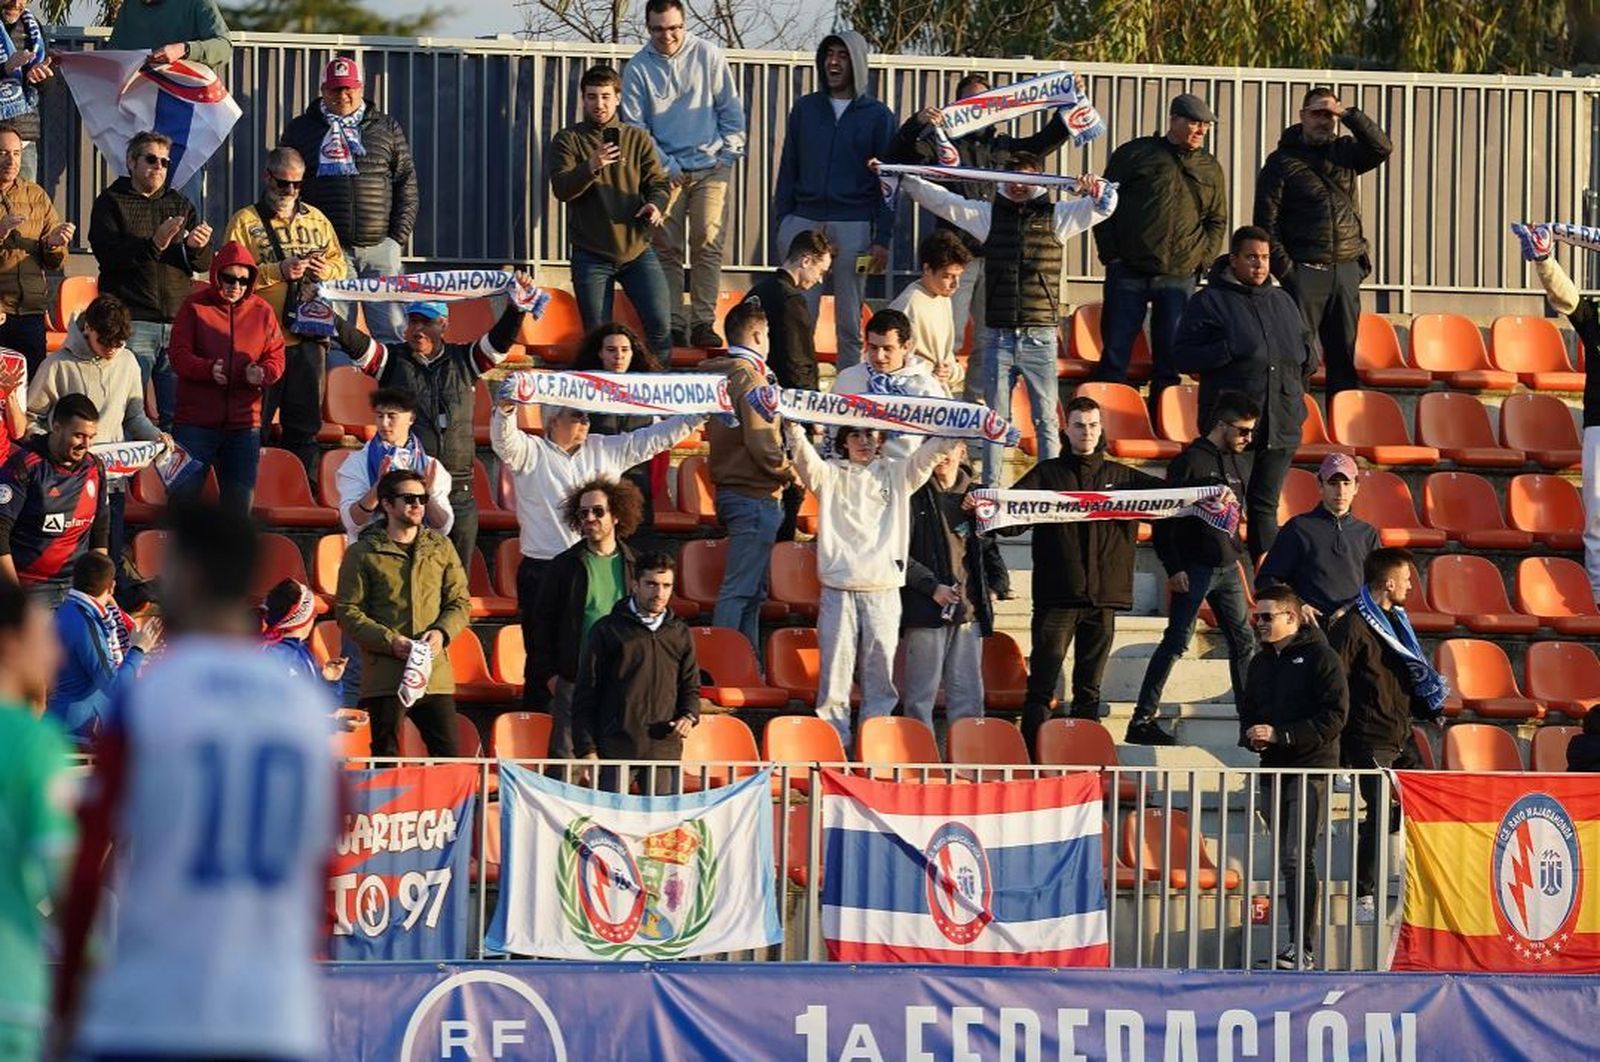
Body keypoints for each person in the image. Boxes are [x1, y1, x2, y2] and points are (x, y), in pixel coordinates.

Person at [54, 503, 337, 1060]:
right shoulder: (305, 707)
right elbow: (321, 867)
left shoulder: (152, 695)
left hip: (160, 1007)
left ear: (192, 575)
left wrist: (67, 1005)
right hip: (273, 1016)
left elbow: (88, 864)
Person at [883, 153, 1117, 483]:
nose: (1019, 186)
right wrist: (901, 174)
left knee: (1046, 420)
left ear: (1040, 184)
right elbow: (943, 202)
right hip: (998, 336)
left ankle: (1046, 489)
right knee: (994, 419)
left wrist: (1094, 187)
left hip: (1041, 336)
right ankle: (992, 489)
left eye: (1028, 180)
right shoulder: (987, 216)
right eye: (1013, 179)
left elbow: (1106, 205)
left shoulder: (1059, 216)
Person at [491, 393, 698, 707]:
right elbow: (502, 440)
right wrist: (506, 408)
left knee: (605, 652)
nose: (585, 423)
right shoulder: (530, 452)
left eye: (588, 417)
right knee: (541, 658)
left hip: (597, 565)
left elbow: (654, 439)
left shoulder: (604, 449)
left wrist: (699, 416)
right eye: (577, 416)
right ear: (552, 420)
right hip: (544, 569)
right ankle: (538, 730)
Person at [887, 73, 1078, 400]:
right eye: (970, 102)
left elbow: (1042, 143)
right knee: (952, 336)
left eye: (984, 102)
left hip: (996, 258)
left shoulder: (1002, 147)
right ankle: (939, 399)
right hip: (955, 260)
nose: (978, 110)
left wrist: (1069, 102)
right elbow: (898, 158)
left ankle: (974, 406)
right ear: (956, 105)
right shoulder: (938, 141)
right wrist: (917, 122)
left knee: (988, 340)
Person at [786, 420, 957, 748]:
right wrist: (792, 425)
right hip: (839, 589)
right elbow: (804, 459)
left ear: (880, 438)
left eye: (869, 434)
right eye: (855, 435)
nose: (864, 441)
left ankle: (873, 745)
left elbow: (930, 455)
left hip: (883, 589)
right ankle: (834, 747)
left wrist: (958, 427)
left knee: (880, 678)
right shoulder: (830, 475)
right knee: (835, 675)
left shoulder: (897, 473)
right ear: (844, 441)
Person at [1005, 396, 1162, 749]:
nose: (1086, 432)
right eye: (1079, 425)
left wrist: (1212, 492)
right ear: (1066, 430)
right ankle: (1031, 756)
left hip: (1105, 598)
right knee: (1043, 685)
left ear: (1101, 429)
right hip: (1057, 598)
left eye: (1092, 425)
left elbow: (1175, 499)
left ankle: (1084, 759)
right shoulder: (1046, 474)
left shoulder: (1124, 479)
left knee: (1089, 689)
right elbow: (1008, 518)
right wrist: (981, 506)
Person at [341, 287, 531, 565]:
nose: (417, 329)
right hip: (410, 490)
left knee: (455, 577)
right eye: (413, 321)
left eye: (426, 322)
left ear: (443, 324)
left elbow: (499, 343)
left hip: (459, 489)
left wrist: (517, 309)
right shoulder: (392, 360)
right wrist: (331, 317)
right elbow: (356, 343)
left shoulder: (465, 360)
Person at [1172, 225, 1316, 560]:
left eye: (1265, 258)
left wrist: (1303, 368)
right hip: (1233, 432)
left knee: (1266, 508)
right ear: (1233, 259)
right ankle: (1226, 583)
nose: (1260, 265)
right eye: (1251, 257)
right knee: (1229, 504)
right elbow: (1182, 356)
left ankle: (1264, 588)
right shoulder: (1208, 301)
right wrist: (1226, 350)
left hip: (1280, 426)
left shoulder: (1284, 301)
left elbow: (1308, 352)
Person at [1132, 390, 1259, 746]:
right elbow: (1164, 519)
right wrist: (1173, 567)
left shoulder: (1237, 461)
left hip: (1228, 567)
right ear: (1222, 425)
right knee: (1176, 641)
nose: (1247, 439)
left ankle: (1249, 724)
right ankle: (1142, 718)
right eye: (1243, 431)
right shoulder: (1188, 462)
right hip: (1195, 566)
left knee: (1244, 641)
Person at [1327, 547, 1446, 925]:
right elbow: (1336, 686)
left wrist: (1430, 708)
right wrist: (1342, 750)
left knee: (1424, 804)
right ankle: (1364, 892)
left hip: (1401, 731)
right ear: (1389, 582)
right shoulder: (1351, 626)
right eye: (1407, 579)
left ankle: (1423, 885)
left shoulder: (1398, 621)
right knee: (1380, 812)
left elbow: (1410, 673)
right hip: (1368, 735)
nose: (1412, 586)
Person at [620, 0, 745, 348]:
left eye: (674, 28)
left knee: (708, 243)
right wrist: (667, 166)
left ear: (684, 23)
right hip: (665, 173)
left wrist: (731, 152)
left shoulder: (708, 54)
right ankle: (674, 322)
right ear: (648, 28)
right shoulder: (638, 68)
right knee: (667, 250)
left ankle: (704, 321)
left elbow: (730, 107)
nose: (667, 36)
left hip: (711, 168)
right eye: (659, 29)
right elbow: (635, 126)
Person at [1255, 87, 1392, 400]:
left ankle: (1341, 433)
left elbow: (1382, 148)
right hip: (1304, 270)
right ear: (1302, 116)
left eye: (1329, 115)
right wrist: (1289, 272)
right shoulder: (1280, 162)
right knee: (1298, 356)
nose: (1323, 121)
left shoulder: (1345, 151)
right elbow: (1266, 224)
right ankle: (1297, 427)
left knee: (1343, 358)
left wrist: (1349, 115)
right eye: (1316, 113)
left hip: (1345, 267)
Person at [1239, 584, 1349, 971]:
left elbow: (1335, 715)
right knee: (1289, 860)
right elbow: (1250, 710)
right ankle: (1296, 946)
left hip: (1311, 770)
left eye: (1267, 616)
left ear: (1292, 616)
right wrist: (1252, 736)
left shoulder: (1322, 656)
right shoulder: (1261, 662)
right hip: (1273, 769)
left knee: (1296, 857)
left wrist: (1284, 735)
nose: (1259, 623)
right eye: (1257, 617)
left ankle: (1302, 947)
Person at [221, 145, 349, 477]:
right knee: (253, 425)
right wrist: (277, 270)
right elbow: (228, 276)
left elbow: (342, 267)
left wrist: (324, 270)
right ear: (268, 178)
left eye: (297, 185)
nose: (289, 191)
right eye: (282, 183)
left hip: (308, 339)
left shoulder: (317, 220)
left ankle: (301, 486)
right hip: (261, 342)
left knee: (304, 427)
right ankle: (250, 488)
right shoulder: (245, 221)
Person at [773, 30, 896, 370]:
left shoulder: (879, 116)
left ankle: (846, 397)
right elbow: (788, 168)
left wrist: (882, 237)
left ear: (856, 61)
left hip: (854, 225)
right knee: (797, 315)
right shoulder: (805, 109)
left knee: (848, 320)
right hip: (803, 221)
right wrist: (783, 222)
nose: (833, 62)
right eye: (829, 54)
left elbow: (889, 182)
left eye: (842, 55)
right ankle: (795, 390)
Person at [27, 293, 167, 589]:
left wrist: (156, 437)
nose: (113, 350)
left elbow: (134, 416)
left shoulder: (128, 361)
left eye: (119, 344)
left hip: (110, 482)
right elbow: (31, 418)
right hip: (64, 483)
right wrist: (52, 448)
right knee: (66, 565)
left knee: (106, 564)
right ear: (88, 328)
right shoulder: (56, 366)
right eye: (107, 342)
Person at [1093, 93, 1227, 396]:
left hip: (1180, 275)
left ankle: (1163, 426)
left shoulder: (1210, 167)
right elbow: (1102, 206)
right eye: (1194, 123)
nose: (1201, 131)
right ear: (1174, 119)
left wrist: (1202, 260)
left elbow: (1217, 219)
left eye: (1205, 125)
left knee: (1170, 360)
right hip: (1128, 271)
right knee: (1115, 354)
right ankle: (1106, 423)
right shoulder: (1134, 154)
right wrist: (1111, 256)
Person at [279, 56, 418, 344]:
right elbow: (286, 184)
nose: (343, 95)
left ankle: (392, 390)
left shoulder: (387, 127)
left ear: (361, 88)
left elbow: (407, 183)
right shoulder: (301, 129)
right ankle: (340, 389)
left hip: (381, 249)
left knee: (391, 333)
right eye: (335, 89)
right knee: (336, 335)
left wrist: (396, 238)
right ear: (322, 90)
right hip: (330, 252)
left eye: (349, 89)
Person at [336, 467, 471, 758]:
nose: (418, 505)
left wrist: (442, 632)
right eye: (409, 499)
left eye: (422, 499)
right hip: (386, 674)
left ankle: (446, 806)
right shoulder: (362, 553)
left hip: (434, 675)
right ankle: (385, 806)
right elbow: (348, 611)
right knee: (386, 757)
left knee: (449, 758)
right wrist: (389, 641)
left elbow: (460, 602)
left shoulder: (442, 547)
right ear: (386, 504)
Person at [88, 130, 215, 430]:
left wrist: (196, 248)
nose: (159, 167)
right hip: (133, 322)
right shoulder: (110, 202)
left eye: (165, 162)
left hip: (176, 322)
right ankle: (127, 476)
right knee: (125, 409)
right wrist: (154, 244)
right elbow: (109, 256)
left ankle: (171, 475)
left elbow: (201, 263)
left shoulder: (180, 203)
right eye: (151, 159)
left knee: (178, 414)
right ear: (131, 162)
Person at [549, 64, 673, 364]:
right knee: (597, 337)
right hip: (591, 253)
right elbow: (562, 189)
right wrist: (591, 166)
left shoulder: (638, 138)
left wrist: (656, 204)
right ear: (583, 100)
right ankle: (600, 408)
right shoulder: (568, 139)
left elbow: (658, 183)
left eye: (605, 96)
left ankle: (655, 401)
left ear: (618, 98)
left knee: (661, 328)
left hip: (638, 249)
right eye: (592, 97)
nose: (599, 104)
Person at [0, 577, 73, 1062]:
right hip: (12, 995)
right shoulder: (36, 743)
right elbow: (65, 878)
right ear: (10, 643)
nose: (54, 654)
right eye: (43, 635)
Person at [167, 240, 285, 515]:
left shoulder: (263, 311)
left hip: (244, 426)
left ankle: (227, 559)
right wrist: (207, 370)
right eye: (229, 278)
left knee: (238, 511)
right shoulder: (193, 306)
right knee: (181, 506)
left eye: (243, 281)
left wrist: (263, 373)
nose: (236, 286)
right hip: (194, 423)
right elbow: (178, 356)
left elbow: (277, 357)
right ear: (216, 275)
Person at [528, 478, 642, 759]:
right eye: (583, 513)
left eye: (598, 511)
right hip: (573, 679)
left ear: (616, 515)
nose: (590, 518)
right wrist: (551, 675)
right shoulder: (564, 565)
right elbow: (541, 625)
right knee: (566, 764)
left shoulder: (636, 565)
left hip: (623, 680)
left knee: (617, 765)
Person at [703, 300, 793, 651]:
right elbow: (762, 439)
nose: (769, 339)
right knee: (741, 590)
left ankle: (745, 662)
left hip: (734, 488)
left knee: (751, 592)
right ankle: (726, 661)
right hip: (754, 492)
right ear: (758, 334)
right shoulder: (750, 377)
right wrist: (788, 471)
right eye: (767, 333)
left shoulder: (721, 372)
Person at [900, 441, 1005, 737]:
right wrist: (931, 587)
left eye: (951, 447)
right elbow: (897, 552)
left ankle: (971, 761)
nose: (944, 455)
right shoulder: (912, 493)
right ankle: (916, 761)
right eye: (938, 447)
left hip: (968, 608)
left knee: (968, 694)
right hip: (924, 606)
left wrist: (996, 586)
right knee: (920, 695)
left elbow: (990, 549)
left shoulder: (979, 495)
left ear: (962, 452)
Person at [572, 549, 697, 794]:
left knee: (663, 831)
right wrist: (587, 749)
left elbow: (690, 685)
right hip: (616, 752)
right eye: (651, 584)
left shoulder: (681, 632)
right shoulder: (606, 630)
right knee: (608, 829)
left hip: (664, 751)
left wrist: (689, 715)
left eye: (666, 585)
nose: (659, 593)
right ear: (634, 585)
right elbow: (586, 694)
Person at [1517, 245, 1600, 602]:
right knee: (1597, 516)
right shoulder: (1596, 319)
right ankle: (1598, 594)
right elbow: (1567, 298)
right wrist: (1544, 260)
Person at [743, 229, 833, 541]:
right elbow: (799, 363)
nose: (820, 280)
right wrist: (810, 412)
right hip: (786, 406)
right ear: (806, 260)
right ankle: (783, 541)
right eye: (820, 270)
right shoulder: (791, 301)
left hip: (753, 400)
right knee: (790, 483)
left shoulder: (757, 292)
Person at [0, 392, 108, 609]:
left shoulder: (94, 468)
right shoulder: (24, 467)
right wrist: (15, 597)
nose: (85, 444)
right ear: (56, 427)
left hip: (79, 586)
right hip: (31, 587)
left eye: (91, 437)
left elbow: (100, 529)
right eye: (78, 435)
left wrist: (100, 588)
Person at [45, 551, 159, 747]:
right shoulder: (86, 624)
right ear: (112, 586)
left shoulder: (68, 610)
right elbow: (114, 687)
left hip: (70, 724)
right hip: (76, 734)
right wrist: (138, 650)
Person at [1258, 453, 1379, 623]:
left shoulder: (1367, 533)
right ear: (1320, 485)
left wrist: (1349, 610)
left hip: (1355, 625)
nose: (1341, 491)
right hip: (1309, 627)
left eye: (1346, 483)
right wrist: (1298, 605)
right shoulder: (1298, 528)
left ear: (1356, 487)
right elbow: (1267, 580)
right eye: (1333, 483)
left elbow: (1377, 586)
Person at [567, 321, 665, 530]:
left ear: (633, 353)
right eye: (611, 350)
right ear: (600, 353)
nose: (618, 356)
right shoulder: (581, 393)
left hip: (638, 487)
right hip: (593, 486)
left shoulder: (651, 395)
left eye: (624, 350)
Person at [336, 386, 453, 542]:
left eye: (392, 416)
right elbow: (351, 523)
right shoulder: (357, 462)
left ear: (411, 418)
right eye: (379, 416)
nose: (384, 423)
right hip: (372, 551)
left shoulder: (432, 466)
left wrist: (427, 495)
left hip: (419, 553)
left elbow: (443, 527)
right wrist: (378, 488)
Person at [0, 122, 70, 375]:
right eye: (3, 153)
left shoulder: (36, 195)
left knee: (30, 393)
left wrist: (53, 244)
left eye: (17, 153)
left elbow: (54, 263)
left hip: (30, 312)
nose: (12, 160)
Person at [832, 308, 945, 460]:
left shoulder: (926, 386)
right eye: (873, 347)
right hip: (857, 473)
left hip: (907, 471)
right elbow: (832, 431)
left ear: (906, 346)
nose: (879, 356)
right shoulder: (848, 379)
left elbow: (941, 436)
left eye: (887, 349)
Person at [887, 230, 972, 394]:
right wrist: (928, 374)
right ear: (927, 269)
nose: (955, 284)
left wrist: (950, 372)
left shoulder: (943, 297)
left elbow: (946, 360)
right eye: (947, 276)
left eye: (958, 276)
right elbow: (891, 361)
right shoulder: (908, 305)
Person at [260, 577, 346, 698]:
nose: (314, 617)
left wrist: (330, 680)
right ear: (304, 619)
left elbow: (324, 706)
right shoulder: (275, 655)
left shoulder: (302, 651)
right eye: (313, 614)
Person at [1, 0, 54, 185]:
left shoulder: (33, 28)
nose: (16, 3)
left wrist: (39, 77)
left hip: (23, 139)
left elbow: (46, 89)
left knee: (24, 205)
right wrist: (5, 68)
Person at [105, 0, 231, 71]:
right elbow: (114, 52)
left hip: (185, 99)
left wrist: (185, 49)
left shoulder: (196, 2)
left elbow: (224, 47)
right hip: (137, 100)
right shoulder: (130, 5)